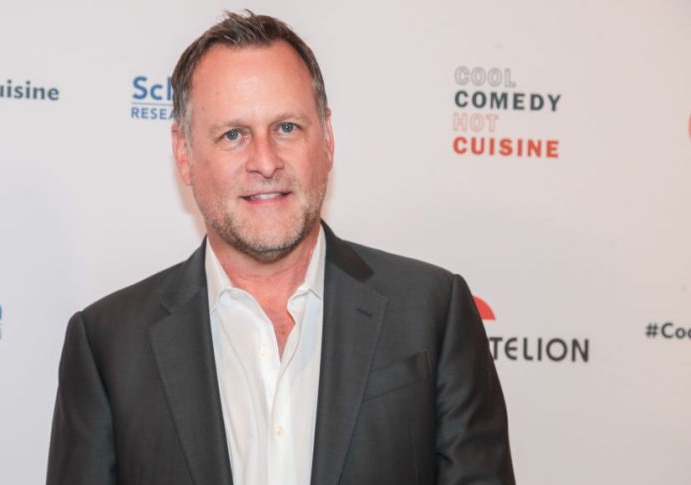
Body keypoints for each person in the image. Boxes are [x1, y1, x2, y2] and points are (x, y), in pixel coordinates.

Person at [46, 11, 514, 485]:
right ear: (184, 154)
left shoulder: (432, 312)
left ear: (327, 139)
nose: (265, 161)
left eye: (287, 127)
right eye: (233, 135)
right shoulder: (108, 346)